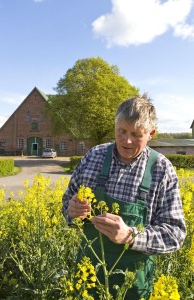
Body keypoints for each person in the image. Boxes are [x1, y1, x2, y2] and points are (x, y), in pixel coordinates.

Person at [62, 95, 186, 299]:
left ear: (150, 134)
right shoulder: (94, 156)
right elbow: (67, 202)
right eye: (121, 131)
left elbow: (175, 234)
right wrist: (71, 210)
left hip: (133, 285)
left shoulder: (162, 169)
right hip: (87, 277)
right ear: (115, 127)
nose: (127, 140)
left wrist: (131, 236)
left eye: (136, 134)